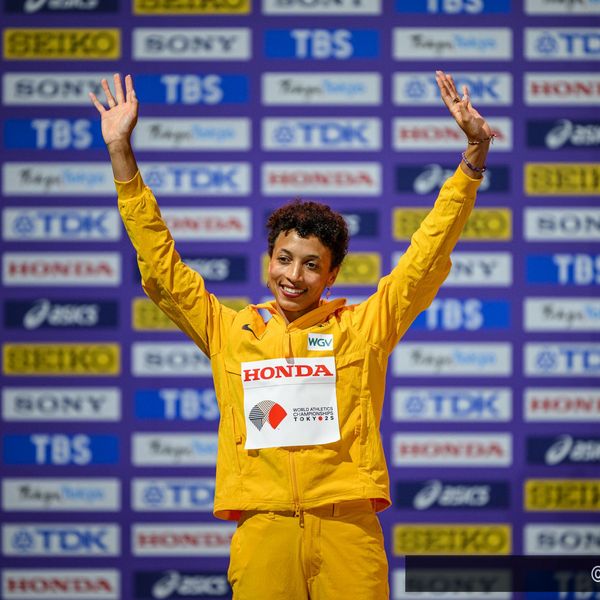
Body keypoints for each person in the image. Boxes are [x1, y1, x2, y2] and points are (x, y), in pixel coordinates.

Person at [90, 71, 492, 600]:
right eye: (283, 258)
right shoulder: (230, 330)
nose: (293, 276)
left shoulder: (362, 328)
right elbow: (161, 267)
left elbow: (426, 256)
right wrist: (120, 153)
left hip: (348, 530)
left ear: (331, 275)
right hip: (264, 531)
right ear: (268, 260)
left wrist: (473, 158)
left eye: (311, 265)